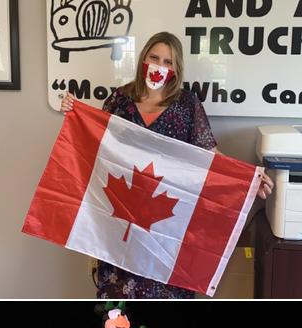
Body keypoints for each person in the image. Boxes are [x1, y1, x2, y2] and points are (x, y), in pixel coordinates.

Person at [61, 31, 274, 299]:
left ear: (177, 68)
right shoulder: (119, 100)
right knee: (119, 309)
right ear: (143, 59)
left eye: (168, 61)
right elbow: (96, 143)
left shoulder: (187, 104)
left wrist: (249, 180)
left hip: (167, 225)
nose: (160, 66)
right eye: (154, 57)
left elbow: (211, 156)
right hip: (121, 221)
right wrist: (74, 113)